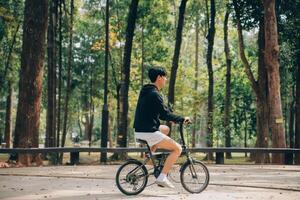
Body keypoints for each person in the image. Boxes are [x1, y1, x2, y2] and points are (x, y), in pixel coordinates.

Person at [133, 67, 191, 188]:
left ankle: (151, 157)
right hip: (148, 131)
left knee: (165, 129)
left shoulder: (146, 91)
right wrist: (181, 119)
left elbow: (156, 113)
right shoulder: (155, 94)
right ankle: (162, 177)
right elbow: (165, 114)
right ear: (159, 77)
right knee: (178, 149)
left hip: (141, 129)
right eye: (164, 77)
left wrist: (172, 119)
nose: (165, 80)